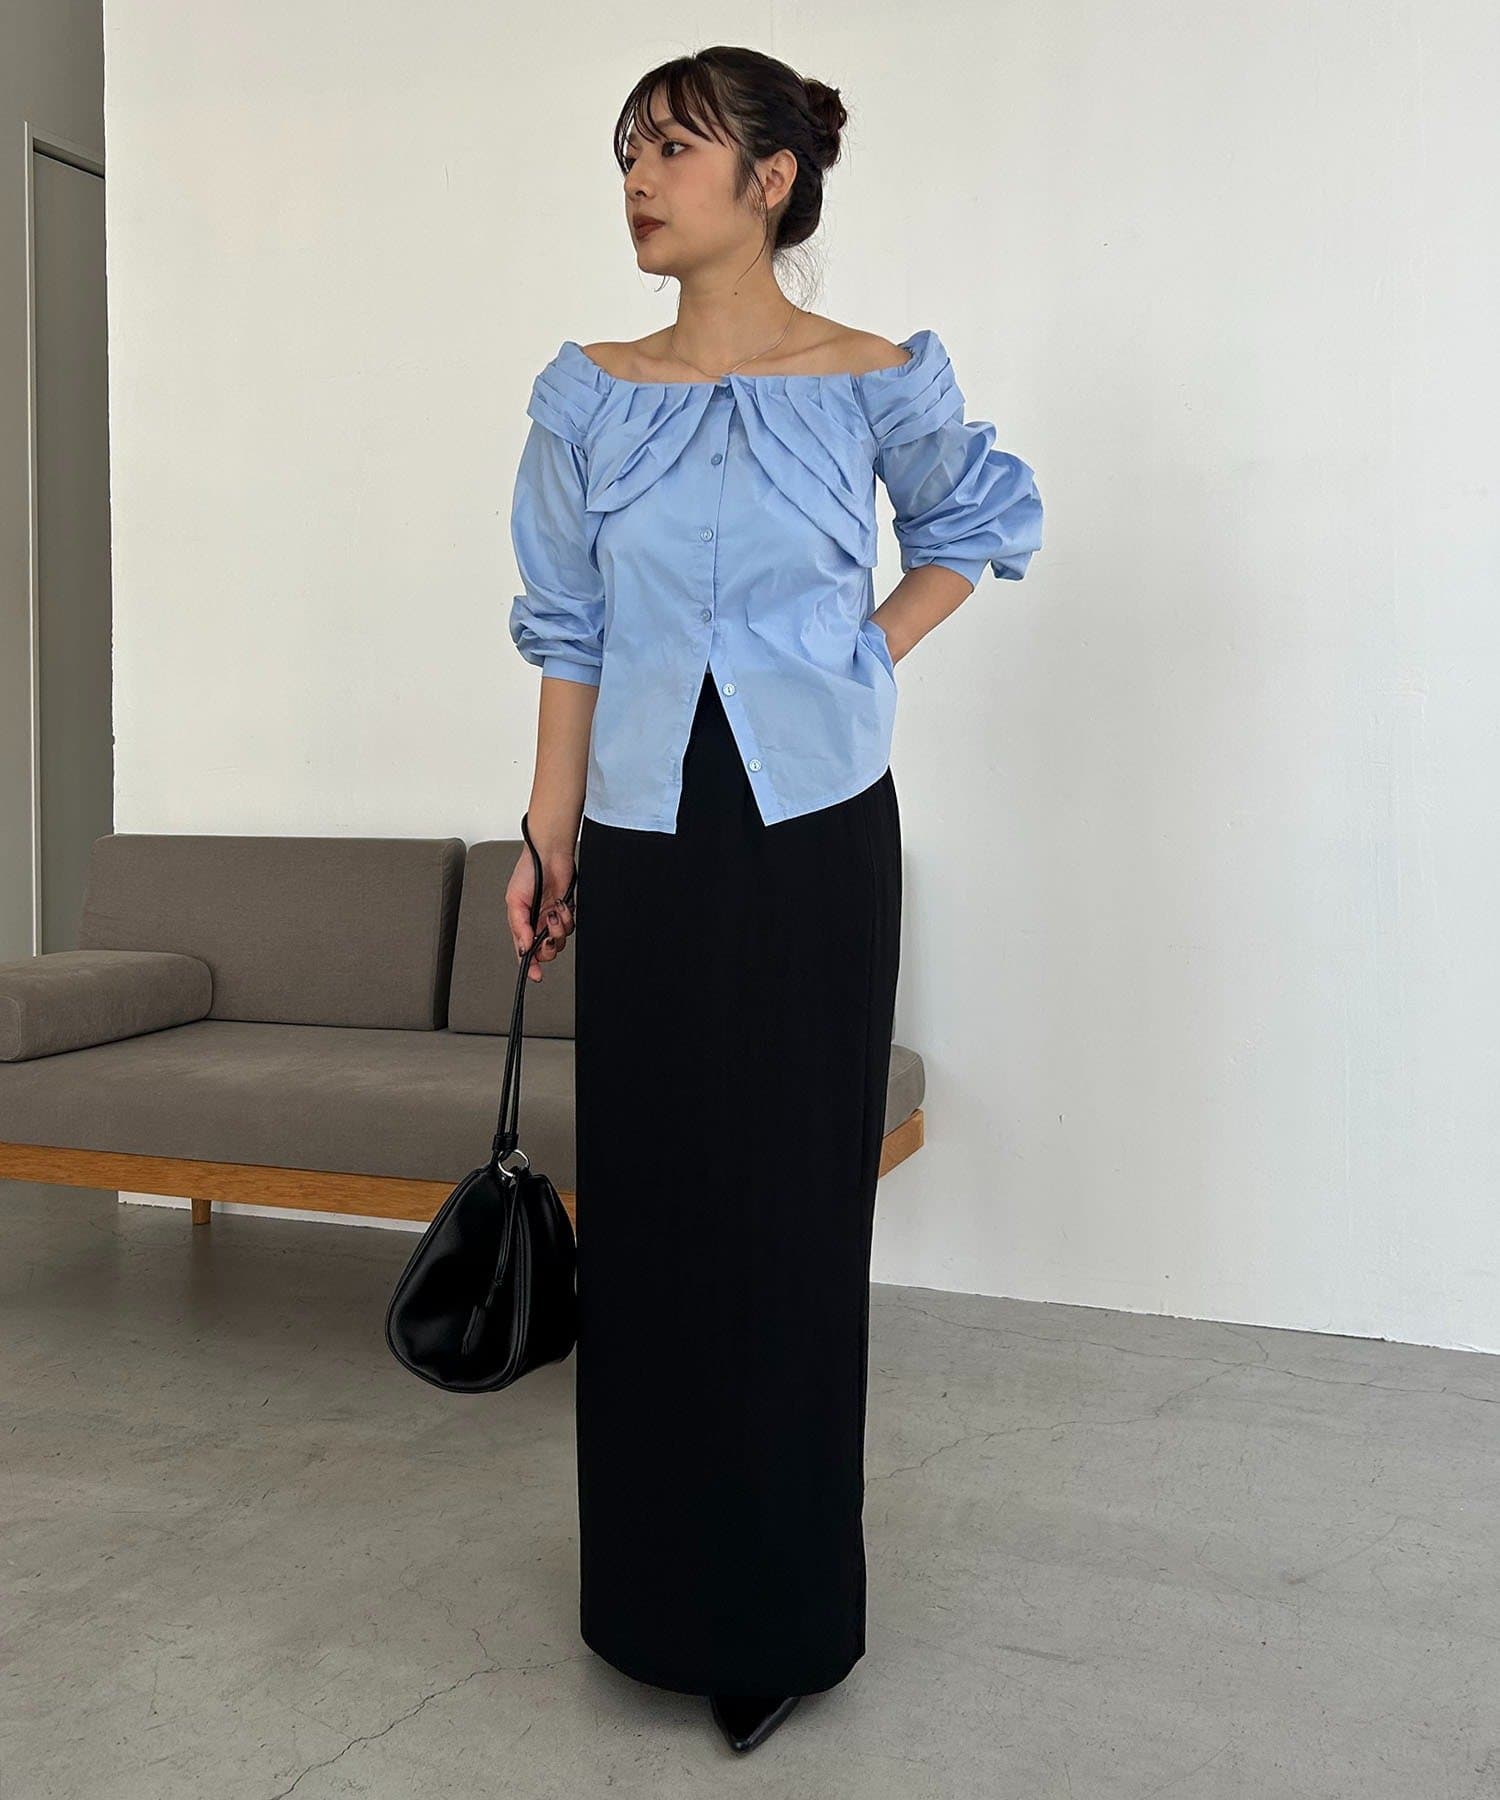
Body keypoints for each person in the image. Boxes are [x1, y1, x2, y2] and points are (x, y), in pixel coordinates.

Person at [504, 46, 1043, 1756]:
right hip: (647, 840)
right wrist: (547, 836)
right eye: (629, 152)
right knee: (656, 1210)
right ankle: (651, 1600)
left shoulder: (872, 380)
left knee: (796, 1216)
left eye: (673, 149)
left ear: (773, 180)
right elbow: (570, 629)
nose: (639, 180)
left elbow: (976, 523)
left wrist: (862, 653)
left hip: (814, 836)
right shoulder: (590, 395)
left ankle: (779, 1614)